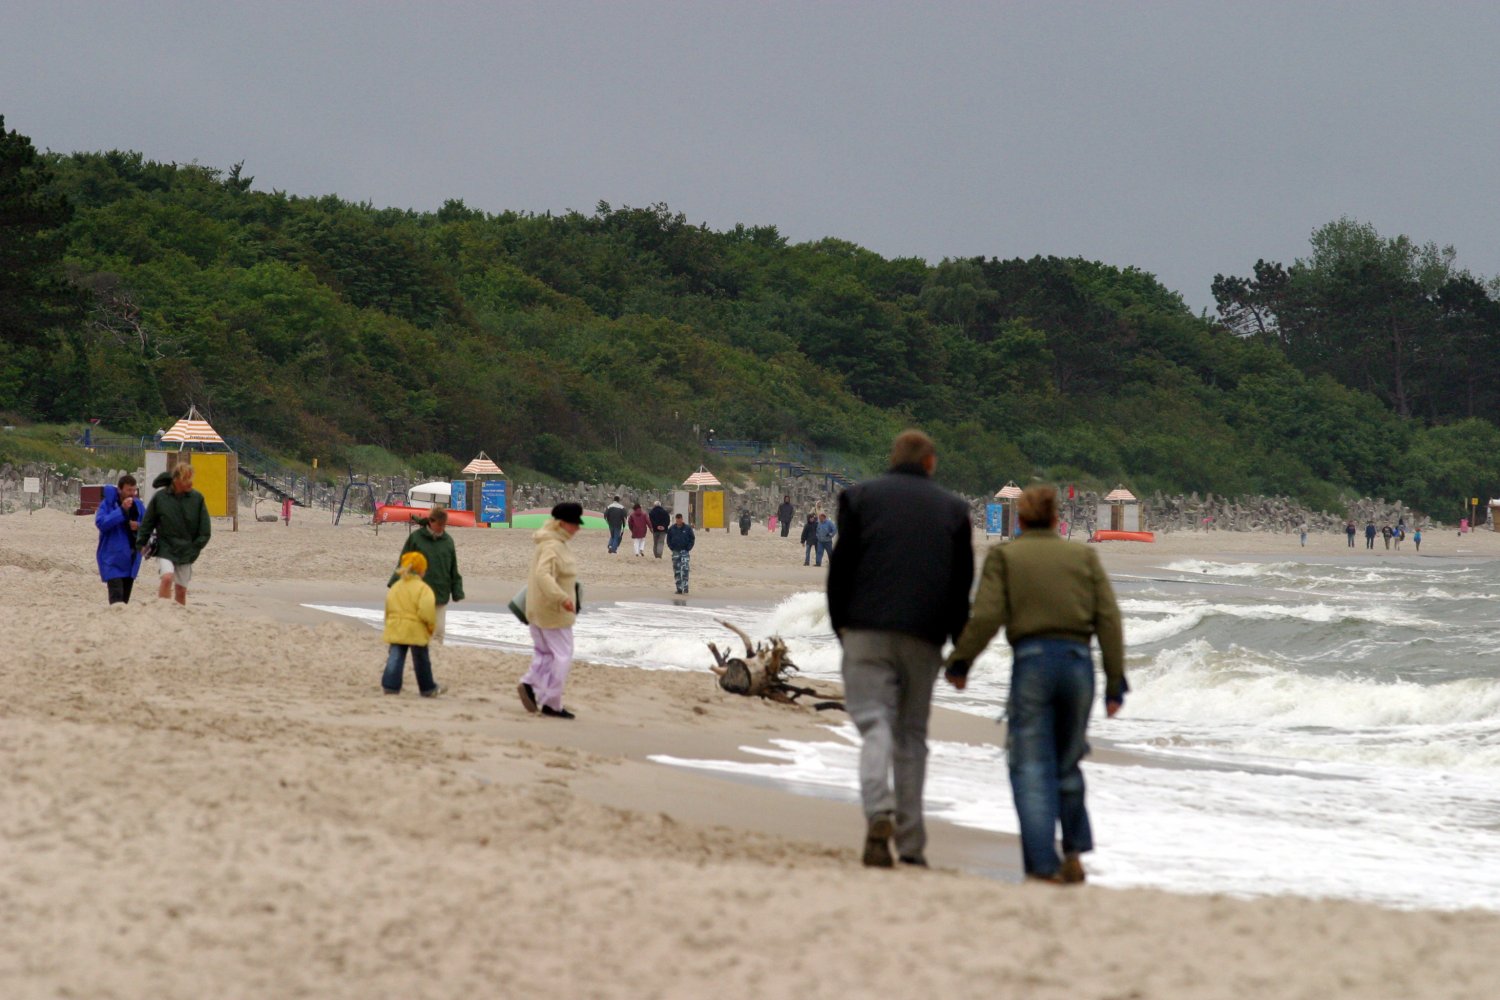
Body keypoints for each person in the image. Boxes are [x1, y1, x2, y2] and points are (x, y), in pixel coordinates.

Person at [944, 484, 1127, 885]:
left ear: (1022, 519)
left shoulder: (1005, 556)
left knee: (1030, 767)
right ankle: (1074, 851)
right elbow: (1109, 620)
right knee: (1067, 761)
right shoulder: (1083, 556)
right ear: (1056, 518)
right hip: (1079, 665)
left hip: (1033, 664)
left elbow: (988, 616)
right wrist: (1116, 683)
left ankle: (1043, 865)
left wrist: (961, 662)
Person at [826, 429, 973, 868]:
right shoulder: (954, 510)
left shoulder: (860, 498)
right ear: (930, 463)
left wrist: (841, 626)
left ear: (893, 458)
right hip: (924, 636)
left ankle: (878, 812)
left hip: (866, 629)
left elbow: (842, 568)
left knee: (875, 724)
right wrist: (958, 647)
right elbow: (960, 585)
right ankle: (911, 846)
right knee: (912, 737)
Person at [517, 502, 583, 719]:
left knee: (545, 653)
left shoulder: (549, 542)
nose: (578, 528)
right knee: (563, 655)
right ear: (563, 524)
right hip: (552, 611)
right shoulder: (553, 545)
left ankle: (530, 683)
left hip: (538, 609)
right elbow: (543, 575)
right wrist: (562, 598)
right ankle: (551, 703)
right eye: (575, 524)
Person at [136, 463, 211, 605]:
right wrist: (140, 543)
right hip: (165, 548)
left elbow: (205, 532)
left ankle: (179, 617)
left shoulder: (197, 499)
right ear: (176, 480)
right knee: (167, 578)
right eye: (186, 479)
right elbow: (148, 523)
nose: (191, 482)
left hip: (186, 550)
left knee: (181, 591)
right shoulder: (160, 498)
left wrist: (194, 549)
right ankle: (163, 611)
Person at [389, 506, 463, 643]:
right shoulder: (416, 538)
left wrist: (457, 591)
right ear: (431, 521)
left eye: (444, 525)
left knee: (439, 631)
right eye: (439, 525)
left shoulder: (448, 541)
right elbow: (403, 562)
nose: (442, 528)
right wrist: (394, 583)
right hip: (419, 593)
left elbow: (453, 568)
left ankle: (435, 658)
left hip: (441, 592)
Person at [381, 551, 443, 697]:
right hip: (416, 629)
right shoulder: (423, 589)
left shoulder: (396, 587)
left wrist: (388, 624)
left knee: (395, 656)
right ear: (422, 571)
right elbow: (427, 611)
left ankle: (390, 685)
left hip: (396, 627)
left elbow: (388, 607)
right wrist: (430, 627)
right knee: (422, 660)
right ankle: (427, 688)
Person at [95, 474, 144, 604]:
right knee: (116, 602)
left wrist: (139, 526)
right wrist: (121, 511)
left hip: (131, 561)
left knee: (124, 602)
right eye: (128, 490)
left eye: (134, 490)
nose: (132, 493)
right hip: (112, 560)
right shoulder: (108, 504)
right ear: (119, 489)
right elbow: (101, 524)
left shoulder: (138, 505)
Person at [667, 512, 695, 594]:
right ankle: (679, 588)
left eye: (680, 519)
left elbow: (692, 539)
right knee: (677, 570)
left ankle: (685, 587)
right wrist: (671, 547)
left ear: (682, 519)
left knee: (685, 569)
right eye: (677, 519)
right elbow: (668, 539)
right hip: (675, 551)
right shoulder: (672, 529)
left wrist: (688, 548)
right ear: (676, 519)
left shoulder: (687, 528)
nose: (679, 521)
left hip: (684, 551)